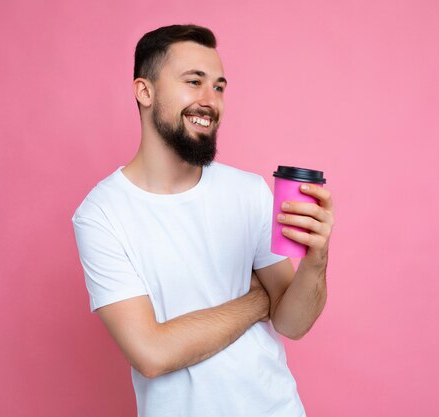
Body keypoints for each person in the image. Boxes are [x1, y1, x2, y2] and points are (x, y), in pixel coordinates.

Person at [72, 24, 334, 417]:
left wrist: (316, 260)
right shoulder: (101, 215)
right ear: (145, 91)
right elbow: (152, 353)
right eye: (194, 82)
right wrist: (257, 300)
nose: (210, 100)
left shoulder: (249, 192)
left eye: (219, 87)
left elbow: (292, 323)